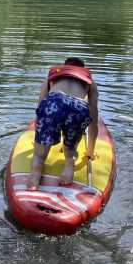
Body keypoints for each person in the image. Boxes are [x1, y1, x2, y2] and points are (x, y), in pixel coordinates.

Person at [27, 57, 99, 190]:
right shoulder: (90, 82)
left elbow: (41, 108)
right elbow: (93, 119)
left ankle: (34, 177)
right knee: (70, 150)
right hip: (78, 107)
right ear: (83, 69)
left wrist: (41, 137)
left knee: (39, 154)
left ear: (65, 66)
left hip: (54, 101)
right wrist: (90, 151)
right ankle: (69, 166)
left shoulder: (53, 76)